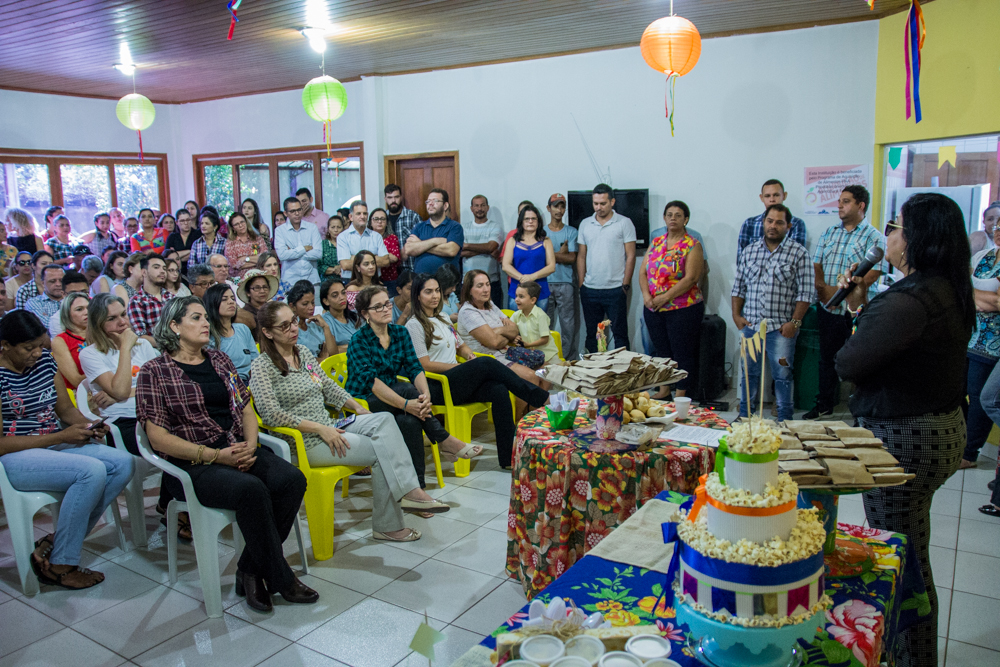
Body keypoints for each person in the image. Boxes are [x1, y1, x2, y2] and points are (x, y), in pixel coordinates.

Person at [834, 193, 971, 667]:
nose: (887, 236)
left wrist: (862, 313)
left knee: (901, 561)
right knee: (911, 544)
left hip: (907, 440)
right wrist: (859, 304)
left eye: (895, 228)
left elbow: (849, 361)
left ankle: (910, 655)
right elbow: (883, 343)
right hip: (938, 428)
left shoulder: (911, 300)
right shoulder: (943, 288)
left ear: (915, 240)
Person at [136, 296, 318, 612]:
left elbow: (245, 407)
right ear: (175, 326)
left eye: (206, 317)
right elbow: (157, 438)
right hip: (192, 465)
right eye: (196, 318)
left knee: (291, 479)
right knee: (252, 490)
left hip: (236, 448)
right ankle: (280, 577)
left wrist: (250, 444)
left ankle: (249, 569)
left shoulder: (219, 360)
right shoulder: (156, 371)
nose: (206, 323)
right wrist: (215, 456)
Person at [252, 301, 453, 530]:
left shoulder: (303, 354)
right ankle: (393, 520)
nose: (293, 329)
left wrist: (357, 408)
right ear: (267, 332)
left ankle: (410, 493)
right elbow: (270, 414)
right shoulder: (262, 366)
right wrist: (319, 429)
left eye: (294, 322)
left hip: (331, 424)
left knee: (384, 419)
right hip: (304, 440)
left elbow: (328, 386)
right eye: (284, 326)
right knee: (382, 449)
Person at [0, 310, 131, 590]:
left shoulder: (46, 362)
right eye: (28, 348)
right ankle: (61, 563)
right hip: (15, 455)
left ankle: (55, 543)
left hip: (54, 441)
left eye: (40, 345)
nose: (37, 353)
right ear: (5, 345)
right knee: (91, 471)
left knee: (122, 463)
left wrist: (89, 424)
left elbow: (65, 410)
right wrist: (60, 436)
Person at [405, 273, 549, 468]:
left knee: (498, 389)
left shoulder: (444, 318)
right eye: (428, 292)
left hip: (456, 380)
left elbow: (461, 346)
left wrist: (468, 356)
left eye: (437, 291)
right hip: (437, 385)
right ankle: (540, 398)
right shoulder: (414, 325)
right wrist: (462, 367)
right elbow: (424, 364)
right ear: (417, 296)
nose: (435, 296)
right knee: (487, 363)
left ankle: (508, 458)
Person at [346, 286, 481, 488]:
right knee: (407, 392)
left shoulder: (400, 332)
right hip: (364, 400)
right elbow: (372, 383)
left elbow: (414, 367)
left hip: (393, 395)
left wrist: (425, 395)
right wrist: (407, 404)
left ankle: (417, 489)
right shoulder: (359, 340)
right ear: (365, 313)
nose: (385, 309)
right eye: (378, 307)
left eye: (387, 304)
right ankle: (445, 440)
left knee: (410, 421)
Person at [806, 185, 886, 419]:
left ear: (861, 206)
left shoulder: (874, 237)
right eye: (839, 201)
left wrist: (838, 293)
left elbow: (871, 275)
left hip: (854, 311)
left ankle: (858, 409)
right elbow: (817, 265)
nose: (839, 205)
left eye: (846, 201)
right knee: (826, 359)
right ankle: (823, 404)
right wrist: (823, 291)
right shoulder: (829, 232)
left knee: (858, 360)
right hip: (826, 308)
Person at [731, 204, 814, 421]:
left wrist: (794, 323)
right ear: (764, 222)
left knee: (783, 375)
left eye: (779, 222)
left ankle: (785, 421)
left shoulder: (799, 253)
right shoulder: (750, 251)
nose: (773, 226)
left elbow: (806, 292)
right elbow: (738, 287)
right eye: (769, 221)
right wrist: (736, 316)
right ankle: (745, 418)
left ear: (788, 226)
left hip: (781, 328)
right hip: (751, 326)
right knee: (749, 374)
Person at [458, 270, 547, 418]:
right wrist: (508, 335)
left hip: (506, 352)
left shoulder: (490, 305)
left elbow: (514, 328)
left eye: (487, 284)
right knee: (530, 376)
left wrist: (499, 330)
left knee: (545, 371)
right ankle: (517, 420)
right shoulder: (468, 312)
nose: (486, 289)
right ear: (469, 289)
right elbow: (493, 342)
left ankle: (531, 415)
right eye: (480, 286)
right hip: (488, 359)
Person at [79, 293, 160, 457]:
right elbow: (121, 390)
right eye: (112, 318)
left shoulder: (143, 344)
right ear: (98, 324)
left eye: (123, 314)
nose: (122, 322)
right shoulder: (89, 354)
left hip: (155, 414)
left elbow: (161, 385)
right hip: (123, 421)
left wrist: (117, 395)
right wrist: (125, 348)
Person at [639, 200, 705, 398]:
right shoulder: (657, 242)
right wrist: (646, 296)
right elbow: (642, 272)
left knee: (682, 353)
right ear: (664, 218)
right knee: (661, 351)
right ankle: (664, 389)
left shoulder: (692, 244)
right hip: (653, 308)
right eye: (669, 214)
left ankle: (681, 393)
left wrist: (664, 297)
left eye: (678, 215)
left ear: (686, 219)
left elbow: (692, 278)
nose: (673, 218)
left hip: (683, 309)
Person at [578, 183, 636, 353]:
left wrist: (625, 284)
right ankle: (593, 373)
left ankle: (622, 374)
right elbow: (581, 256)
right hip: (590, 289)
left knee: (620, 335)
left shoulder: (624, 223)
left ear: (612, 202)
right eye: (595, 203)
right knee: (592, 335)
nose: (598, 207)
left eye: (603, 203)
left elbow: (631, 255)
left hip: (615, 289)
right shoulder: (585, 224)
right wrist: (582, 284)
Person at [961, 221, 1000, 469]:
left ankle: (970, 453)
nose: (998, 231)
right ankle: (960, 440)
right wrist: (984, 299)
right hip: (971, 334)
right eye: (997, 226)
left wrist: (972, 295)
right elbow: (962, 287)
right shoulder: (983, 256)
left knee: (981, 397)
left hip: (993, 344)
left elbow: (997, 303)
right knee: (957, 390)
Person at [544, 193, 579, 361]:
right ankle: (548, 359)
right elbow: (539, 257)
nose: (559, 210)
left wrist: (549, 254)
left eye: (562, 206)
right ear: (548, 208)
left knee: (568, 325)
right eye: (555, 206)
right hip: (545, 282)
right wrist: (560, 253)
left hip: (566, 283)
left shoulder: (571, 232)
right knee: (545, 325)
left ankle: (567, 360)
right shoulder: (541, 232)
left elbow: (571, 258)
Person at [502, 204, 555, 312]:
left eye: (533, 219)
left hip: (540, 292)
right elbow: (505, 265)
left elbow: (551, 266)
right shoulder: (513, 241)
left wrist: (532, 277)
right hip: (517, 292)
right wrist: (522, 278)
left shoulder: (546, 241)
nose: (530, 221)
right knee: (515, 327)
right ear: (521, 221)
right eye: (527, 219)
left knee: (538, 327)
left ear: (538, 221)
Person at [737, 179, 807, 254]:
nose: (772, 199)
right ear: (761, 198)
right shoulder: (749, 224)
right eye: (767, 196)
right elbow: (741, 258)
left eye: (776, 195)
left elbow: (796, 254)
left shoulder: (796, 224)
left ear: (784, 196)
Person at [204, 284, 258, 381]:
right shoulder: (208, 335)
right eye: (224, 299)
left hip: (252, 382)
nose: (231, 302)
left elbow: (256, 361)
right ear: (213, 303)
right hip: (226, 384)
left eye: (233, 298)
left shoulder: (243, 329)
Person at [404, 189, 463, 276]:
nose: (430, 204)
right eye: (428, 201)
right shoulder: (419, 227)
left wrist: (420, 245)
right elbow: (409, 249)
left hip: (447, 282)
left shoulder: (455, 227)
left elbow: (451, 250)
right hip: (422, 282)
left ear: (445, 205)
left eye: (435, 201)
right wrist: (435, 241)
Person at [460, 195, 503, 307]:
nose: (480, 209)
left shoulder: (495, 226)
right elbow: (459, 252)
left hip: (490, 282)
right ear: (471, 208)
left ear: (487, 207)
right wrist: (487, 250)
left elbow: (491, 247)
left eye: (483, 205)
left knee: (494, 318)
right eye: (476, 206)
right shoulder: (464, 228)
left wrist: (467, 245)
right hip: (468, 283)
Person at [127, 254, 173, 348]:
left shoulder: (172, 297)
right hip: (154, 352)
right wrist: (169, 345)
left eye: (164, 268)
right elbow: (140, 336)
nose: (162, 271)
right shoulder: (137, 301)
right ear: (144, 272)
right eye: (156, 267)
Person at [274, 196, 322, 286]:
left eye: (299, 210)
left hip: (312, 279)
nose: (297, 213)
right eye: (292, 211)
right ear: (285, 213)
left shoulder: (312, 228)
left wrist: (292, 252)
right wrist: (304, 248)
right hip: (290, 281)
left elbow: (318, 253)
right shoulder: (280, 231)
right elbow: (282, 255)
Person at [285, 280, 338, 360]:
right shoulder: (291, 331)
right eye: (305, 304)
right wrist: (322, 360)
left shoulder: (315, 327)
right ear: (292, 306)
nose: (311, 307)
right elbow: (298, 360)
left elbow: (334, 355)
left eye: (312, 303)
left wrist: (325, 326)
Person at [336, 201, 388, 281]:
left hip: (373, 281)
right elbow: (345, 265)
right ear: (350, 217)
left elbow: (385, 261)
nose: (362, 216)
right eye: (358, 214)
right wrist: (374, 258)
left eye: (365, 213)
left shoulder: (376, 236)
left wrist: (355, 258)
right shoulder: (342, 237)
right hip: (351, 281)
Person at [511, 281, 560, 364]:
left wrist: (528, 344)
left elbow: (545, 339)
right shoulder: (516, 315)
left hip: (548, 356)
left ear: (533, 300)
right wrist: (514, 338)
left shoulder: (540, 316)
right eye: (516, 296)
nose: (516, 299)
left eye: (521, 297)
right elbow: (509, 330)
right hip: (531, 356)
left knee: (555, 374)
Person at [51, 290, 90, 390]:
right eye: (79, 309)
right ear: (67, 313)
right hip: (79, 393)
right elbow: (76, 381)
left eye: (89, 308)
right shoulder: (60, 341)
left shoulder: (102, 334)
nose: (87, 312)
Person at [384, 184, 422, 272]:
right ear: (385, 199)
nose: (393, 200)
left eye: (396, 197)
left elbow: (422, 243)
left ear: (401, 197)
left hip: (410, 268)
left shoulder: (413, 217)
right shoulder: (382, 218)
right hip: (387, 270)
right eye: (390, 197)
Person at [224, 211, 269, 279]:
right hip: (239, 278)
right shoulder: (230, 243)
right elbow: (233, 264)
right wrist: (257, 260)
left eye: (242, 222)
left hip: (259, 276)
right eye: (236, 224)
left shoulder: (258, 238)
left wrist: (245, 258)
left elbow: (265, 258)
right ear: (233, 228)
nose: (240, 225)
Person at [237, 268, 278, 340]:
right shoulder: (244, 315)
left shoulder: (273, 310)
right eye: (257, 288)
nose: (262, 291)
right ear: (248, 293)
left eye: (265, 287)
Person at [44, 271, 88, 337]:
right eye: (73, 293)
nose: (79, 297)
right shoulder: (57, 320)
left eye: (83, 292)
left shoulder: (98, 311)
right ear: (63, 294)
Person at [319, 278, 359, 347]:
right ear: (326, 301)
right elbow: (328, 350)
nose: (341, 297)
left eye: (343, 293)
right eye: (335, 295)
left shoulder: (355, 316)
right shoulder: (325, 322)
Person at [370, 207, 401, 293]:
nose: (379, 221)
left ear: (387, 222)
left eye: (382, 219)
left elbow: (395, 258)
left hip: (390, 280)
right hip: (371, 279)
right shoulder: (367, 238)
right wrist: (385, 257)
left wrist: (374, 256)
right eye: (376, 219)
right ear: (370, 222)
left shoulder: (392, 238)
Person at [166, 207, 202, 275]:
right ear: (176, 222)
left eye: (188, 220)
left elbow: (200, 254)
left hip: (196, 271)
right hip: (176, 272)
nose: (186, 223)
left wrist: (177, 255)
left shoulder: (198, 234)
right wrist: (191, 251)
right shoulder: (172, 237)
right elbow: (169, 257)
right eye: (182, 221)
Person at [318, 214, 344, 282]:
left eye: (339, 227)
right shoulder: (322, 244)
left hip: (345, 280)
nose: (336, 230)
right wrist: (334, 270)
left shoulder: (348, 243)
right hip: (327, 281)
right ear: (328, 229)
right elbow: (319, 266)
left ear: (343, 228)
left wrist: (341, 267)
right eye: (333, 227)